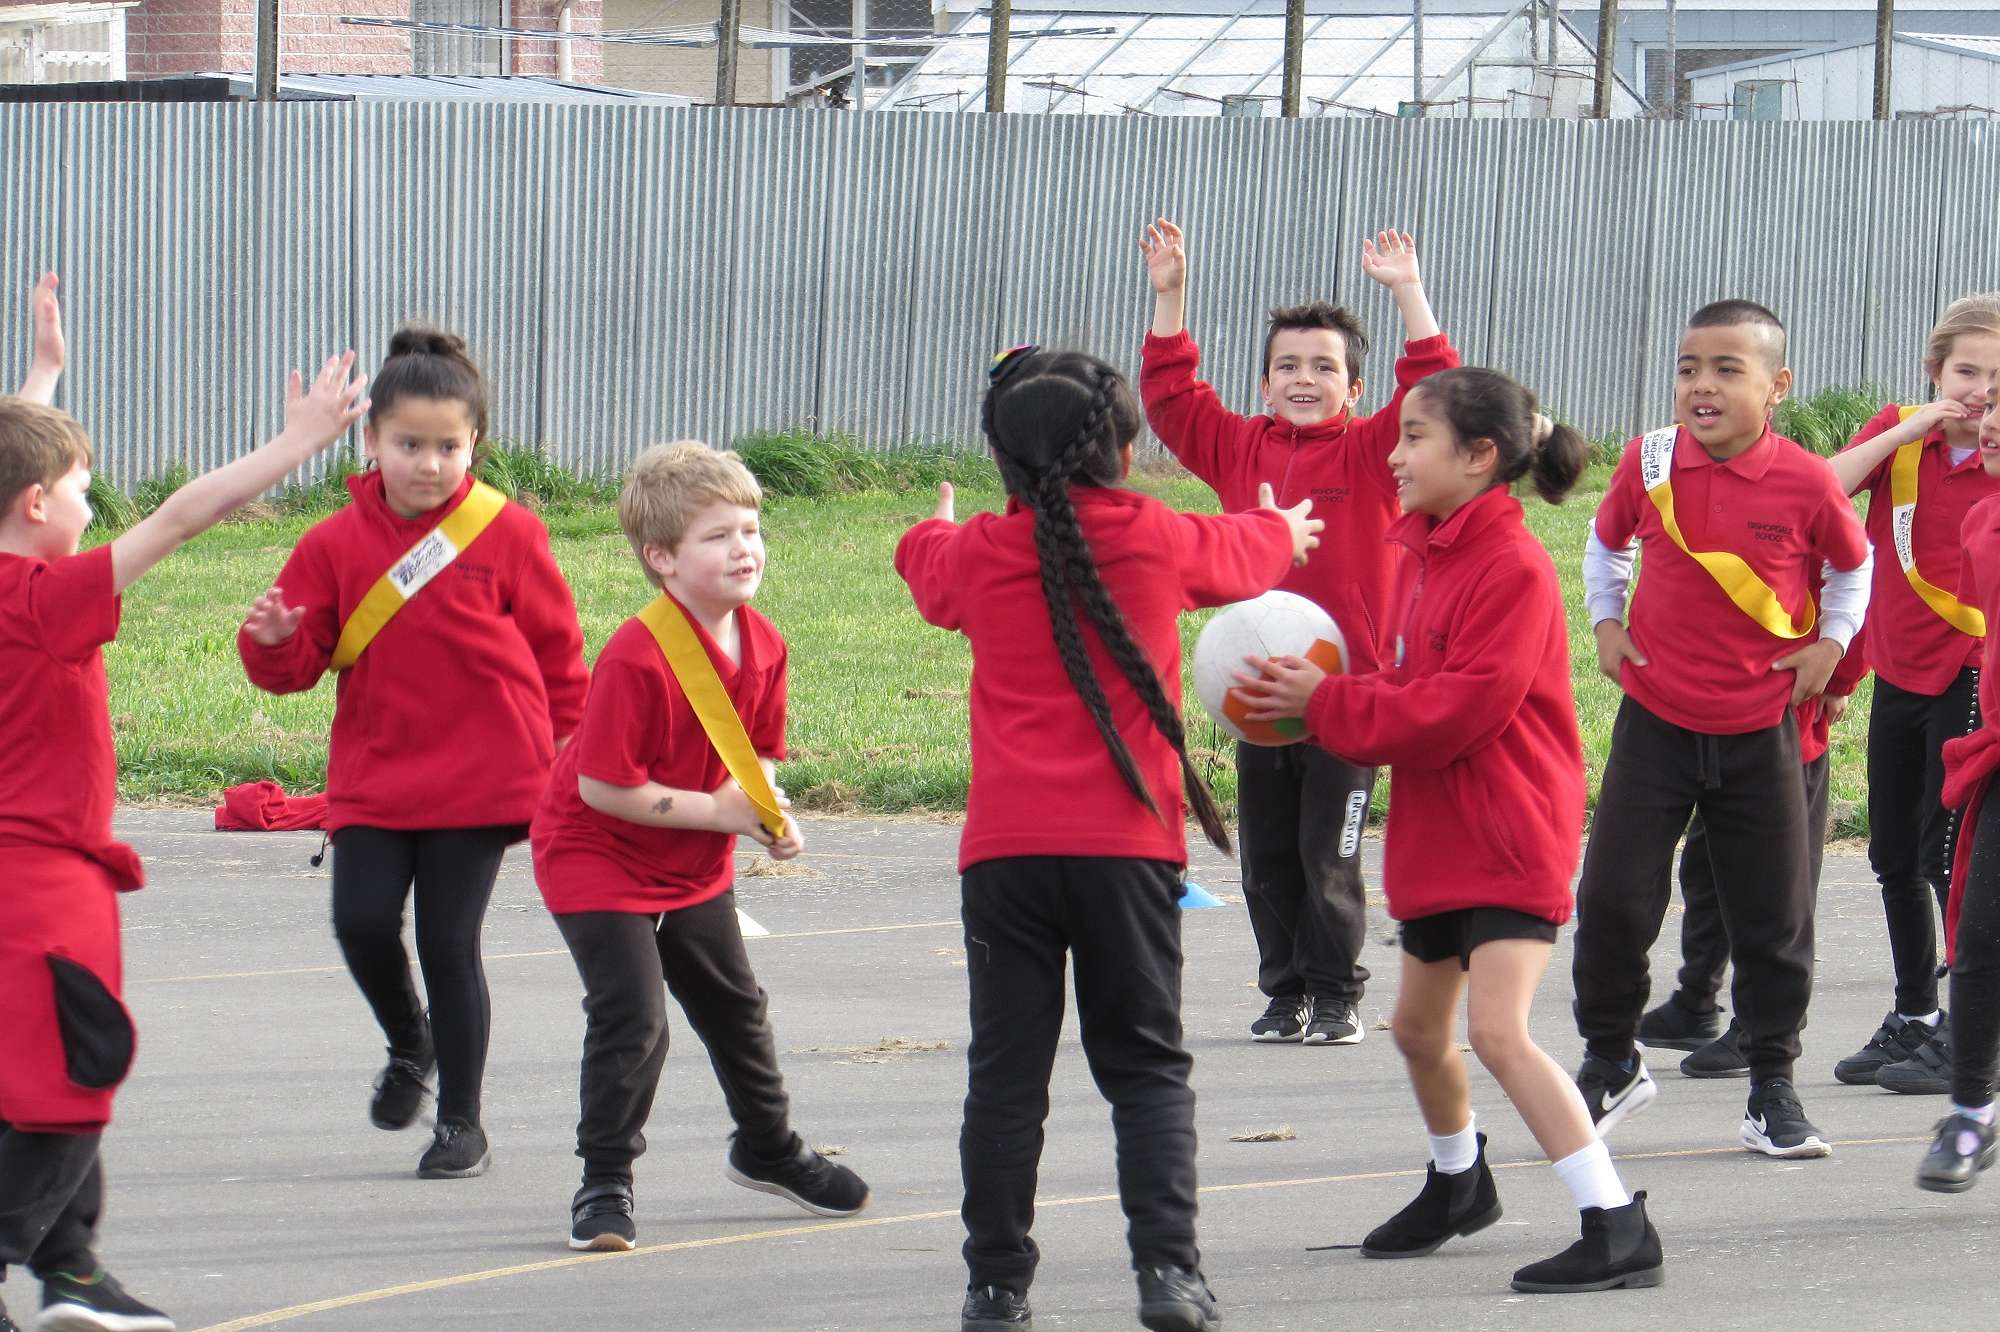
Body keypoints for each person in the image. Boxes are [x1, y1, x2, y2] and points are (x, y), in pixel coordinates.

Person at [897, 347, 1318, 1332]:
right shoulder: (1156, 536)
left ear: (1000, 461)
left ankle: (995, 1286)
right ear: (1124, 453)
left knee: (1006, 1079)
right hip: (1128, 852)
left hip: (1004, 857)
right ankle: (1167, 1272)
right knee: (1144, 1068)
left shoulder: (976, 553)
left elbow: (921, 562)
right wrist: (1285, 526)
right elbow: (1248, 548)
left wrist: (934, 523)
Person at [1234, 366, 1662, 1293]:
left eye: (1414, 437)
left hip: (1509, 831)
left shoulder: (1513, 567)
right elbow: (1402, 684)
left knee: (1498, 1033)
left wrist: (1327, 703)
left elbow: (1462, 709)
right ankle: (1460, 1182)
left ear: (1478, 456)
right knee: (1417, 1030)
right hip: (1440, 833)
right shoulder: (1421, 552)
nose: (1394, 455)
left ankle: (1615, 1221)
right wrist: (1318, 695)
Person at [2, 272, 367, 1332]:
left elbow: (14, 465)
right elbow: (178, 517)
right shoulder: (43, 601)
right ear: (38, 505)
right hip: (38, 882)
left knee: (32, 1075)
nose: (93, 504)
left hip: (28, 879)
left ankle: (73, 1273)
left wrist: (43, 378)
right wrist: (295, 444)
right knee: (71, 1082)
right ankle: (43, 1258)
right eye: (81, 488)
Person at [238, 326, 588, 1179]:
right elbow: (294, 670)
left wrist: (572, 758)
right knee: (359, 923)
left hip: (485, 780)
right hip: (377, 775)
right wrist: (273, 641)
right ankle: (409, 1041)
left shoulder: (510, 532)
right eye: (408, 445)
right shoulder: (331, 544)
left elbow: (560, 659)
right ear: (370, 441)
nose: (429, 464)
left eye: (447, 447)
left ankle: (462, 1122)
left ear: (474, 444)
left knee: (447, 942)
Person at [532, 441, 869, 1254]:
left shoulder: (766, 644)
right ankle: (605, 1178)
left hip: (689, 852)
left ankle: (768, 1148)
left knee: (735, 1007)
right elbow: (602, 788)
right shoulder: (635, 655)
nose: (744, 548)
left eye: (750, 530)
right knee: (634, 1016)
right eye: (718, 536)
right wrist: (719, 812)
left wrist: (767, 814)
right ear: (662, 558)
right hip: (595, 852)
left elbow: (754, 757)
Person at [1140, 219, 1459, 1047]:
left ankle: (1336, 994)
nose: (1305, 379)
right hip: (1257, 696)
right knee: (1268, 858)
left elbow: (1436, 388)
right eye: (1288, 366)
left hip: (1349, 697)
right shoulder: (1238, 448)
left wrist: (1408, 293)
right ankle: (1283, 992)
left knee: (1329, 852)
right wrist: (1171, 296)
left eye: (1324, 366)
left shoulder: (1374, 453)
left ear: (1355, 389)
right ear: (1264, 383)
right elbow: (1171, 400)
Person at [1573, 300, 1872, 1158]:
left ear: (1776, 387)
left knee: (1774, 916)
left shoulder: (1807, 480)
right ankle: (1609, 1060)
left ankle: (1772, 1086)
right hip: (1655, 723)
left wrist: (1831, 646)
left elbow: (1854, 568)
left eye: (1726, 369)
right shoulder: (1649, 459)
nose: (1701, 385)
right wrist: (1606, 623)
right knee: (1613, 901)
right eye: (1688, 368)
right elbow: (1605, 544)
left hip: (1760, 730)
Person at [1823, 295, 2000, 1095]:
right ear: (1934, 371)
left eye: (1996, 380)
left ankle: (1970, 1028)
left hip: (1971, 672)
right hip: (1898, 670)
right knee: (1891, 853)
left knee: (1946, 856)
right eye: (1966, 372)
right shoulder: (1902, 439)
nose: (1979, 394)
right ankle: (1915, 1011)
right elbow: (1819, 492)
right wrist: (1904, 432)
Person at [1636, 586, 1864, 1079]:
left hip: (1786, 717)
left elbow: (1855, 578)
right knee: (1705, 867)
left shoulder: (1821, 529)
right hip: (1723, 711)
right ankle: (1696, 999)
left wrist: (1842, 674)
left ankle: (1765, 1027)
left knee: (1776, 889)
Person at [1918, 379, 2000, 1192]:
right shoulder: (1983, 523)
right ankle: (1971, 1112)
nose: (1995, 420)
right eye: (1996, 401)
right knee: (1979, 941)